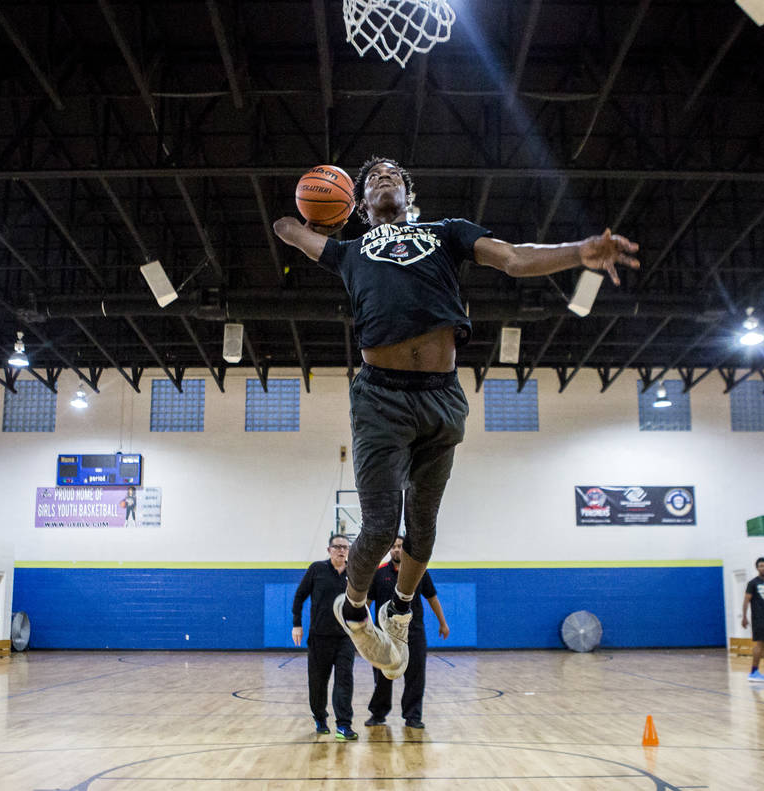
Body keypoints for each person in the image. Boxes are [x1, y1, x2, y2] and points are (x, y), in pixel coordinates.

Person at [273, 157, 640, 677]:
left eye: (393, 173)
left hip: (441, 396)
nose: (382, 176)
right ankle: (354, 611)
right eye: (372, 175)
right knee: (380, 526)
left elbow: (513, 258)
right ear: (358, 202)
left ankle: (398, 609)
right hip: (380, 398)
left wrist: (579, 252)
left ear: (408, 192)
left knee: (422, 529)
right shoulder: (347, 250)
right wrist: (313, 219)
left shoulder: (447, 233)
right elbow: (284, 228)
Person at [365, 537, 450, 729]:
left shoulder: (418, 572)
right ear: (389, 550)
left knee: (415, 676)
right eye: (393, 547)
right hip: (384, 636)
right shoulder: (378, 574)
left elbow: (432, 597)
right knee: (383, 676)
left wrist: (442, 623)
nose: (397, 550)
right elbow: (367, 603)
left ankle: (413, 716)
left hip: (413, 633)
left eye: (400, 547)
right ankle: (378, 714)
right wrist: (363, 627)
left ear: (405, 550)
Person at [292, 534, 358, 741]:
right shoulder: (317, 569)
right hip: (319, 637)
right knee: (318, 683)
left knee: (344, 680)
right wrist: (297, 625)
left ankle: (343, 726)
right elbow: (299, 596)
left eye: (345, 547)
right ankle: (320, 717)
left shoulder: (355, 573)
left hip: (345, 637)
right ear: (329, 550)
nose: (341, 550)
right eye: (337, 547)